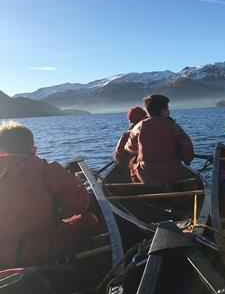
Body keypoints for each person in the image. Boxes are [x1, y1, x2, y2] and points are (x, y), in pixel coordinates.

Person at [0, 122, 101, 270]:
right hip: (31, 252)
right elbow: (79, 205)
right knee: (89, 220)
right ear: (33, 150)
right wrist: (76, 184)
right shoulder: (46, 168)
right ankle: (90, 267)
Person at [125, 94, 194, 185]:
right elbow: (187, 148)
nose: (169, 111)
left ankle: (140, 189)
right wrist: (187, 160)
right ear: (162, 111)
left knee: (132, 163)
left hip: (146, 176)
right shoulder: (173, 126)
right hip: (173, 174)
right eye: (168, 109)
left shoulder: (139, 127)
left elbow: (129, 147)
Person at [114, 106, 147, 181]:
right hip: (140, 172)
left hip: (132, 172)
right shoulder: (151, 132)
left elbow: (118, 158)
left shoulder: (126, 135)